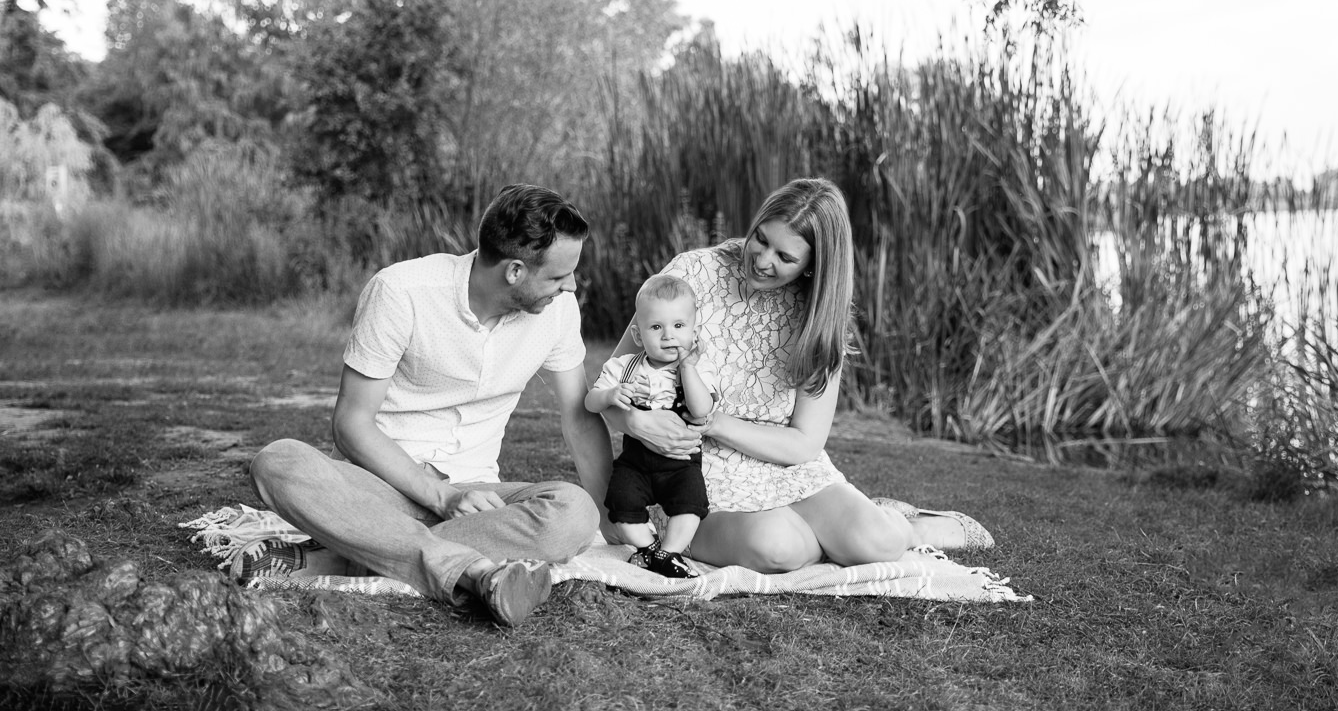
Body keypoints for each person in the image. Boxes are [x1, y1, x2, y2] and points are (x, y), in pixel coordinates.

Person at [248, 184, 614, 627]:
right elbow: (350, 424)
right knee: (278, 461)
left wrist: (611, 522)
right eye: (558, 277)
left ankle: (363, 553)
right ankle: (471, 568)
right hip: (379, 489)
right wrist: (442, 496)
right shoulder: (402, 291)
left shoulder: (558, 312)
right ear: (515, 271)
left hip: (481, 501)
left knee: (575, 512)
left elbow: (578, 416)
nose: (570, 286)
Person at [598, 177, 995, 573]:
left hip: (785, 465)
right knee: (780, 549)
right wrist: (636, 420)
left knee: (879, 542)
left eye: (785, 258)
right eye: (760, 238)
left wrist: (715, 422)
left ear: (812, 266)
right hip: (691, 471)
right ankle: (817, 537)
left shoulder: (819, 315)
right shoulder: (692, 273)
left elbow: (805, 443)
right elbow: (615, 382)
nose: (763, 259)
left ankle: (908, 527)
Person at [584, 274, 716, 578]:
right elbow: (590, 402)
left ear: (694, 333)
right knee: (621, 503)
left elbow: (701, 409)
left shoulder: (698, 370)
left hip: (681, 462)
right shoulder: (624, 367)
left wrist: (688, 368)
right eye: (656, 327)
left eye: (679, 326)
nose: (668, 335)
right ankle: (649, 548)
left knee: (690, 504)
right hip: (636, 461)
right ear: (639, 334)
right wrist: (610, 394)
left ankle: (670, 552)